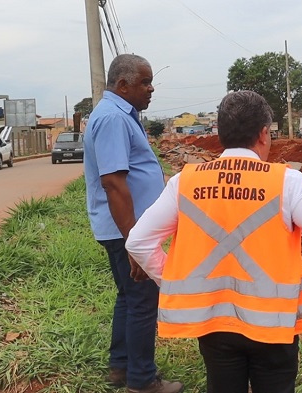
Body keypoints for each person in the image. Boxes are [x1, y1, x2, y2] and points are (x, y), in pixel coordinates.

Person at [126, 90, 302, 393]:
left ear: (221, 133)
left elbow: (138, 241)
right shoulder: (287, 181)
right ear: (263, 134)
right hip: (275, 325)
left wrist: (174, 281)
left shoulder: (185, 181)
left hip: (214, 321)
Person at [83, 54, 184, 393]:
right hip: (127, 229)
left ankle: (121, 367)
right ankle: (142, 382)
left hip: (128, 229)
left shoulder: (122, 115)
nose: (151, 88)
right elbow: (114, 183)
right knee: (143, 301)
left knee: (128, 297)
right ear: (123, 85)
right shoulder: (113, 118)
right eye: (145, 82)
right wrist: (134, 244)